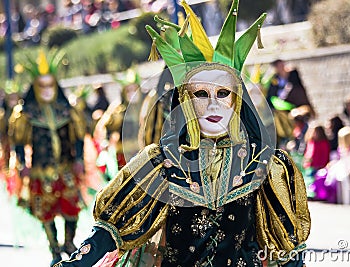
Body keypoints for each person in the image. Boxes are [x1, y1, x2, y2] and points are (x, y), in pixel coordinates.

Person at [54, 1, 310, 266]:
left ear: (237, 101)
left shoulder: (265, 166)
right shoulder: (161, 164)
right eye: (201, 94)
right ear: (186, 102)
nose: (213, 104)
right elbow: (111, 231)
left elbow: (289, 249)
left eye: (223, 94)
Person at [8, 50, 86, 266]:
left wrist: (79, 159)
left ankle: (69, 244)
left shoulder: (67, 110)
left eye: (50, 85)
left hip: (66, 169)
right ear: (35, 87)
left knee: (72, 208)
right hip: (40, 172)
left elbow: (78, 138)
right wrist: (22, 164)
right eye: (42, 86)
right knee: (45, 212)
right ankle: (54, 249)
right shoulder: (25, 113)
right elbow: (18, 143)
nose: (47, 90)